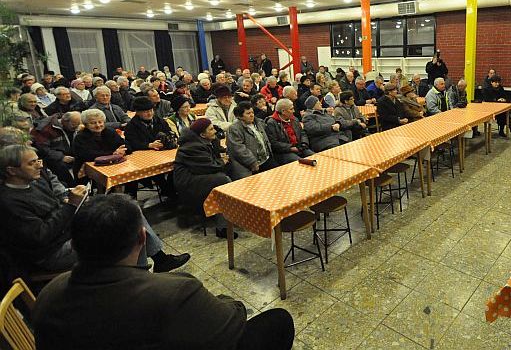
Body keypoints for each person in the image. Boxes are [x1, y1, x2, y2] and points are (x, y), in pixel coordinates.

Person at [31, 193, 293, 350]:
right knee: (278, 320)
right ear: (142, 239)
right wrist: (230, 302)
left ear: (75, 245)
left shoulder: (49, 294)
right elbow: (230, 324)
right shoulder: (174, 291)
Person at [0, 146, 189, 274]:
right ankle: (137, 276)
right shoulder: (9, 202)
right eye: (32, 163)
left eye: (38, 160)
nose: (40, 166)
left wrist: (70, 200)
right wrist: (70, 205)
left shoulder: (36, 180)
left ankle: (157, 260)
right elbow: (41, 237)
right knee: (127, 231)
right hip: (53, 251)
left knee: (127, 207)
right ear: (11, 171)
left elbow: (58, 201)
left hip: (69, 227)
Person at [173, 118, 236, 239]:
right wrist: (221, 161)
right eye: (211, 129)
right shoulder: (191, 146)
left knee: (234, 170)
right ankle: (223, 227)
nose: (215, 131)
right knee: (223, 181)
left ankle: (232, 214)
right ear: (202, 134)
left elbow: (217, 155)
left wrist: (223, 157)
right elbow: (207, 167)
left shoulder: (208, 140)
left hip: (200, 174)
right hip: (189, 182)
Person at [227, 102, 277, 179]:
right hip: (250, 164)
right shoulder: (234, 129)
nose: (251, 115)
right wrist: (252, 162)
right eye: (248, 113)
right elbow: (238, 149)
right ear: (240, 116)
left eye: (252, 112)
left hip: (266, 159)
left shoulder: (259, 122)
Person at [31, 111, 81, 187]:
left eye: (78, 125)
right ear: (64, 121)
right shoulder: (45, 129)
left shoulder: (73, 127)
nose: (76, 128)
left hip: (69, 154)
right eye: (74, 126)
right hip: (52, 158)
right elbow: (42, 149)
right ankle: (71, 187)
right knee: (60, 166)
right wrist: (61, 157)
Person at [265, 99, 314, 164]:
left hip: (300, 147)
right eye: (291, 109)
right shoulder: (271, 123)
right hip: (284, 152)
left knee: (315, 157)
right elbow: (274, 143)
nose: (294, 111)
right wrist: (290, 148)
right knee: (301, 163)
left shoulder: (294, 119)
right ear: (283, 111)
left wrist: (304, 143)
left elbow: (302, 133)